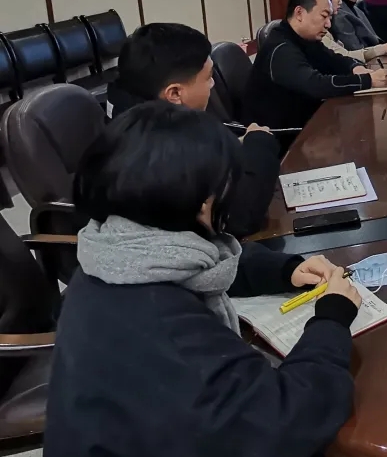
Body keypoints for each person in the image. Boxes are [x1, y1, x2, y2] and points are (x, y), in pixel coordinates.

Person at [45, 101, 363, 457]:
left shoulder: (113, 254)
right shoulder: (165, 326)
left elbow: (199, 266)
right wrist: (332, 319)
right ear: (202, 202)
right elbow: (286, 420)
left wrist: (283, 270)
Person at [105, 23, 278, 238]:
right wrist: (260, 144)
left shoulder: (136, 118)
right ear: (175, 93)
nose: (212, 84)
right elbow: (236, 219)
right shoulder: (154, 151)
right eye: (208, 77)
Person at [243, 0, 387, 130]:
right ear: (299, 13)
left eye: (330, 17)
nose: (328, 24)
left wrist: (356, 68)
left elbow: (333, 59)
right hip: (283, 133)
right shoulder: (281, 48)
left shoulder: (305, 39)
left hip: (309, 118)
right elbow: (316, 85)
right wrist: (367, 80)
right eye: (324, 16)